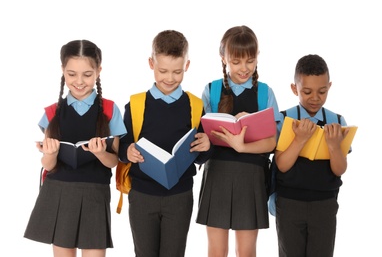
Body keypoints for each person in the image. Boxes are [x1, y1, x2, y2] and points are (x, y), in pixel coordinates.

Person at [24, 39, 127, 257]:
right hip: (59, 192)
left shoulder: (109, 110)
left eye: (87, 74)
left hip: (95, 194)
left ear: (99, 71)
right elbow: (48, 165)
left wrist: (100, 153)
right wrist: (49, 154)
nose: (79, 81)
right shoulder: (52, 112)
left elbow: (114, 161)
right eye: (71, 74)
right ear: (62, 71)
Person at [118, 29, 212, 257]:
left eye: (177, 72)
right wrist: (127, 151)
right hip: (142, 195)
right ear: (151, 63)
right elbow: (121, 146)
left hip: (179, 197)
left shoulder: (196, 105)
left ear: (187, 66)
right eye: (163, 71)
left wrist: (207, 146)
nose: (170, 78)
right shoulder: (135, 104)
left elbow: (200, 154)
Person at [196, 25, 281, 256]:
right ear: (223, 58)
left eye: (250, 61)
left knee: (246, 251)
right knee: (216, 250)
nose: (244, 68)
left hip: (252, 175)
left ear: (257, 57)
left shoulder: (265, 92)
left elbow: (272, 142)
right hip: (218, 173)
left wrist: (242, 145)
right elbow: (203, 132)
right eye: (236, 62)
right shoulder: (211, 90)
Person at [273, 54, 351, 257]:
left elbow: (340, 169)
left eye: (322, 91)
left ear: (329, 87)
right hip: (290, 203)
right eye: (307, 92)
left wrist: (334, 146)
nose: (315, 98)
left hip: (324, 204)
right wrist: (299, 140)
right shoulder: (284, 119)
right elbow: (281, 165)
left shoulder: (337, 121)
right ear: (294, 89)